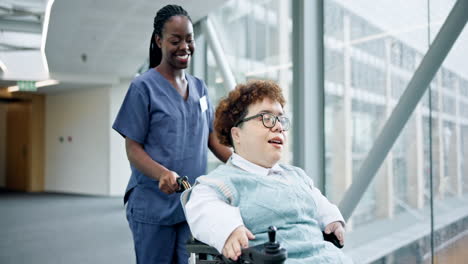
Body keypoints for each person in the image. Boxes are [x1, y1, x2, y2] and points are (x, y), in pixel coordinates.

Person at [181, 80, 352, 263]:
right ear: (237, 134)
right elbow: (204, 208)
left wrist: (332, 220)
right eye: (266, 118)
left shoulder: (297, 176)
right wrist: (229, 230)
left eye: (280, 119)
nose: (278, 126)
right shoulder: (219, 183)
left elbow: (319, 204)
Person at [112, 4, 232, 264]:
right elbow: (132, 148)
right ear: (159, 40)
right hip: (152, 204)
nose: (184, 47)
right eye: (175, 40)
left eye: (189, 39)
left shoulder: (199, 88)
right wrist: (162, 174)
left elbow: (211, 138)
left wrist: (242, 162)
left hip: (190, 205)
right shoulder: (143, 87)